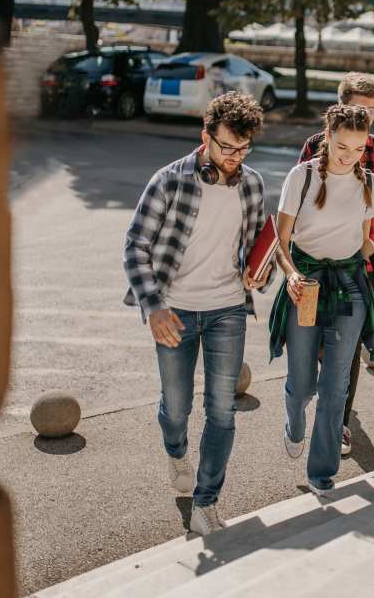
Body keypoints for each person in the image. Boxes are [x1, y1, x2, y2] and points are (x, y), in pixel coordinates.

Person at [122, 92, 274, 535]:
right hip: (174, 311)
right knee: (175, 407)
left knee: (222, 411)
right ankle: (175, 450)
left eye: (243, 149)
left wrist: (258, 276)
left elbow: (254, 253)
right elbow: (135, 246)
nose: (233, 158)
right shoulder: (170, 181)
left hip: (227, 309)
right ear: (205, 136)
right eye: (226, 147)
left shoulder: (252, 184)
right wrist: (153, 307)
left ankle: (206, 502)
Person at [270, 104, 374, 495]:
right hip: (307, 283)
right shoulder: (302, 176)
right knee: (301, 384)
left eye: (359, 148)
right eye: (342, 147)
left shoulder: (369, 182)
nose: (350, 156)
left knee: (335, 386)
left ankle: (322, 474)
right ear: (326, 137)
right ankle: (294, 421)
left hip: (349, 285)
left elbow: (364, 242)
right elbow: (281, 241)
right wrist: (293, 274)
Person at [297, 72, 374, 456]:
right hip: (312, 266)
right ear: (339, 109)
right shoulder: (313, 147)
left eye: (373, 110)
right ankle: (308, 404)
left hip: (359, 267)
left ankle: (339, 422)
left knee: (348, 345)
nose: (368, 116)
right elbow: (297, 210)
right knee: (312, 344)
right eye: (360, 108)